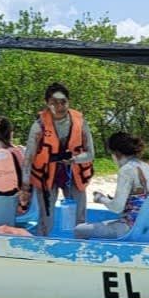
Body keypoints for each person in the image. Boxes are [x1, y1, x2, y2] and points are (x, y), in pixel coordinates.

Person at [19, 82, 95, 235]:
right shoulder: (39, 126)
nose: (59, 106)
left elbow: (90, 154)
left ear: (68, 102)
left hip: (73, 173)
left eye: (63, 102)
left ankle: (81, 246)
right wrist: (25, 187)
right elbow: (28, 159)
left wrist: (74, 160)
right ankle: (42, 244)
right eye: (54, 102)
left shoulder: (81, 123)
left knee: (80, 219)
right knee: (46, 219)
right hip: (46, 175)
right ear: (47, 103)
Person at [73, 132, 149, 239]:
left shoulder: (127, 170)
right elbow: (142, 198)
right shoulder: (146, 167)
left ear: (117, 153)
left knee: (79, 230)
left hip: (131, 228)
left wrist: (100, 198)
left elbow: (117, 208)